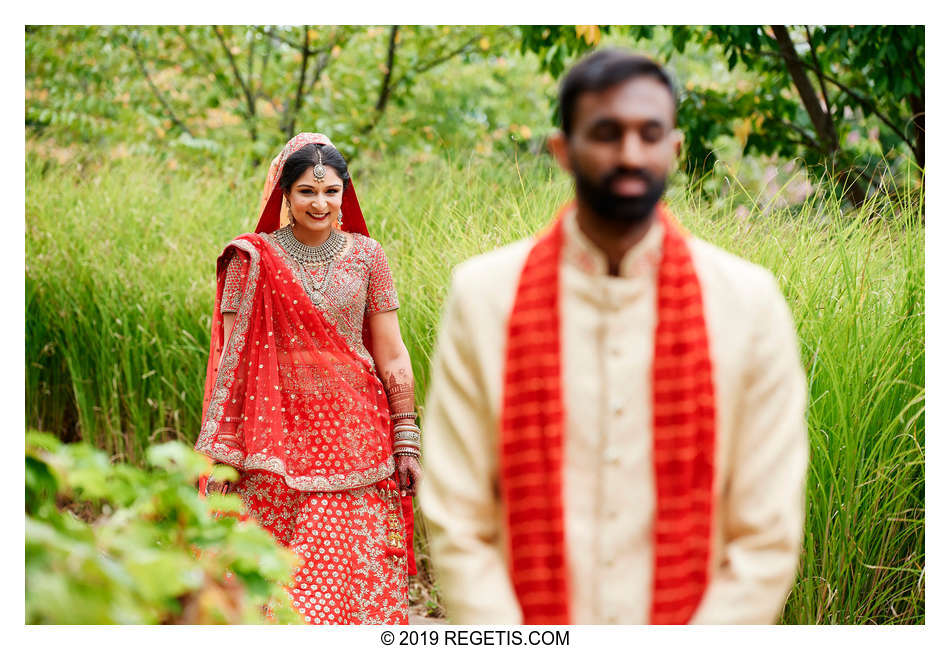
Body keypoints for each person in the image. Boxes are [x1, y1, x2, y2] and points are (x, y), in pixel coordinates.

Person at [419, 49, 808, 624]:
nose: (630, 155)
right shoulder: (483, 298)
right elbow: (458, 519)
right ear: (562, 149)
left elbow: (766, 536)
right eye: (606, 133)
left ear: (674, 150)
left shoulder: (748, 302)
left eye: (649, 134)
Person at [194, 132, 423, 625]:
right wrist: (224, 451)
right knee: (281, 584)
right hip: (276, 443)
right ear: (284, 194)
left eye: (331, 191)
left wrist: (406, 438)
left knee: (348, 579)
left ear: (345, 192)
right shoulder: (251, 261)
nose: (320, 203)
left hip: (357, 436)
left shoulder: (368, 256)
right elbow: (236, 363)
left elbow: (393, 353)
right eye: (306, 191)